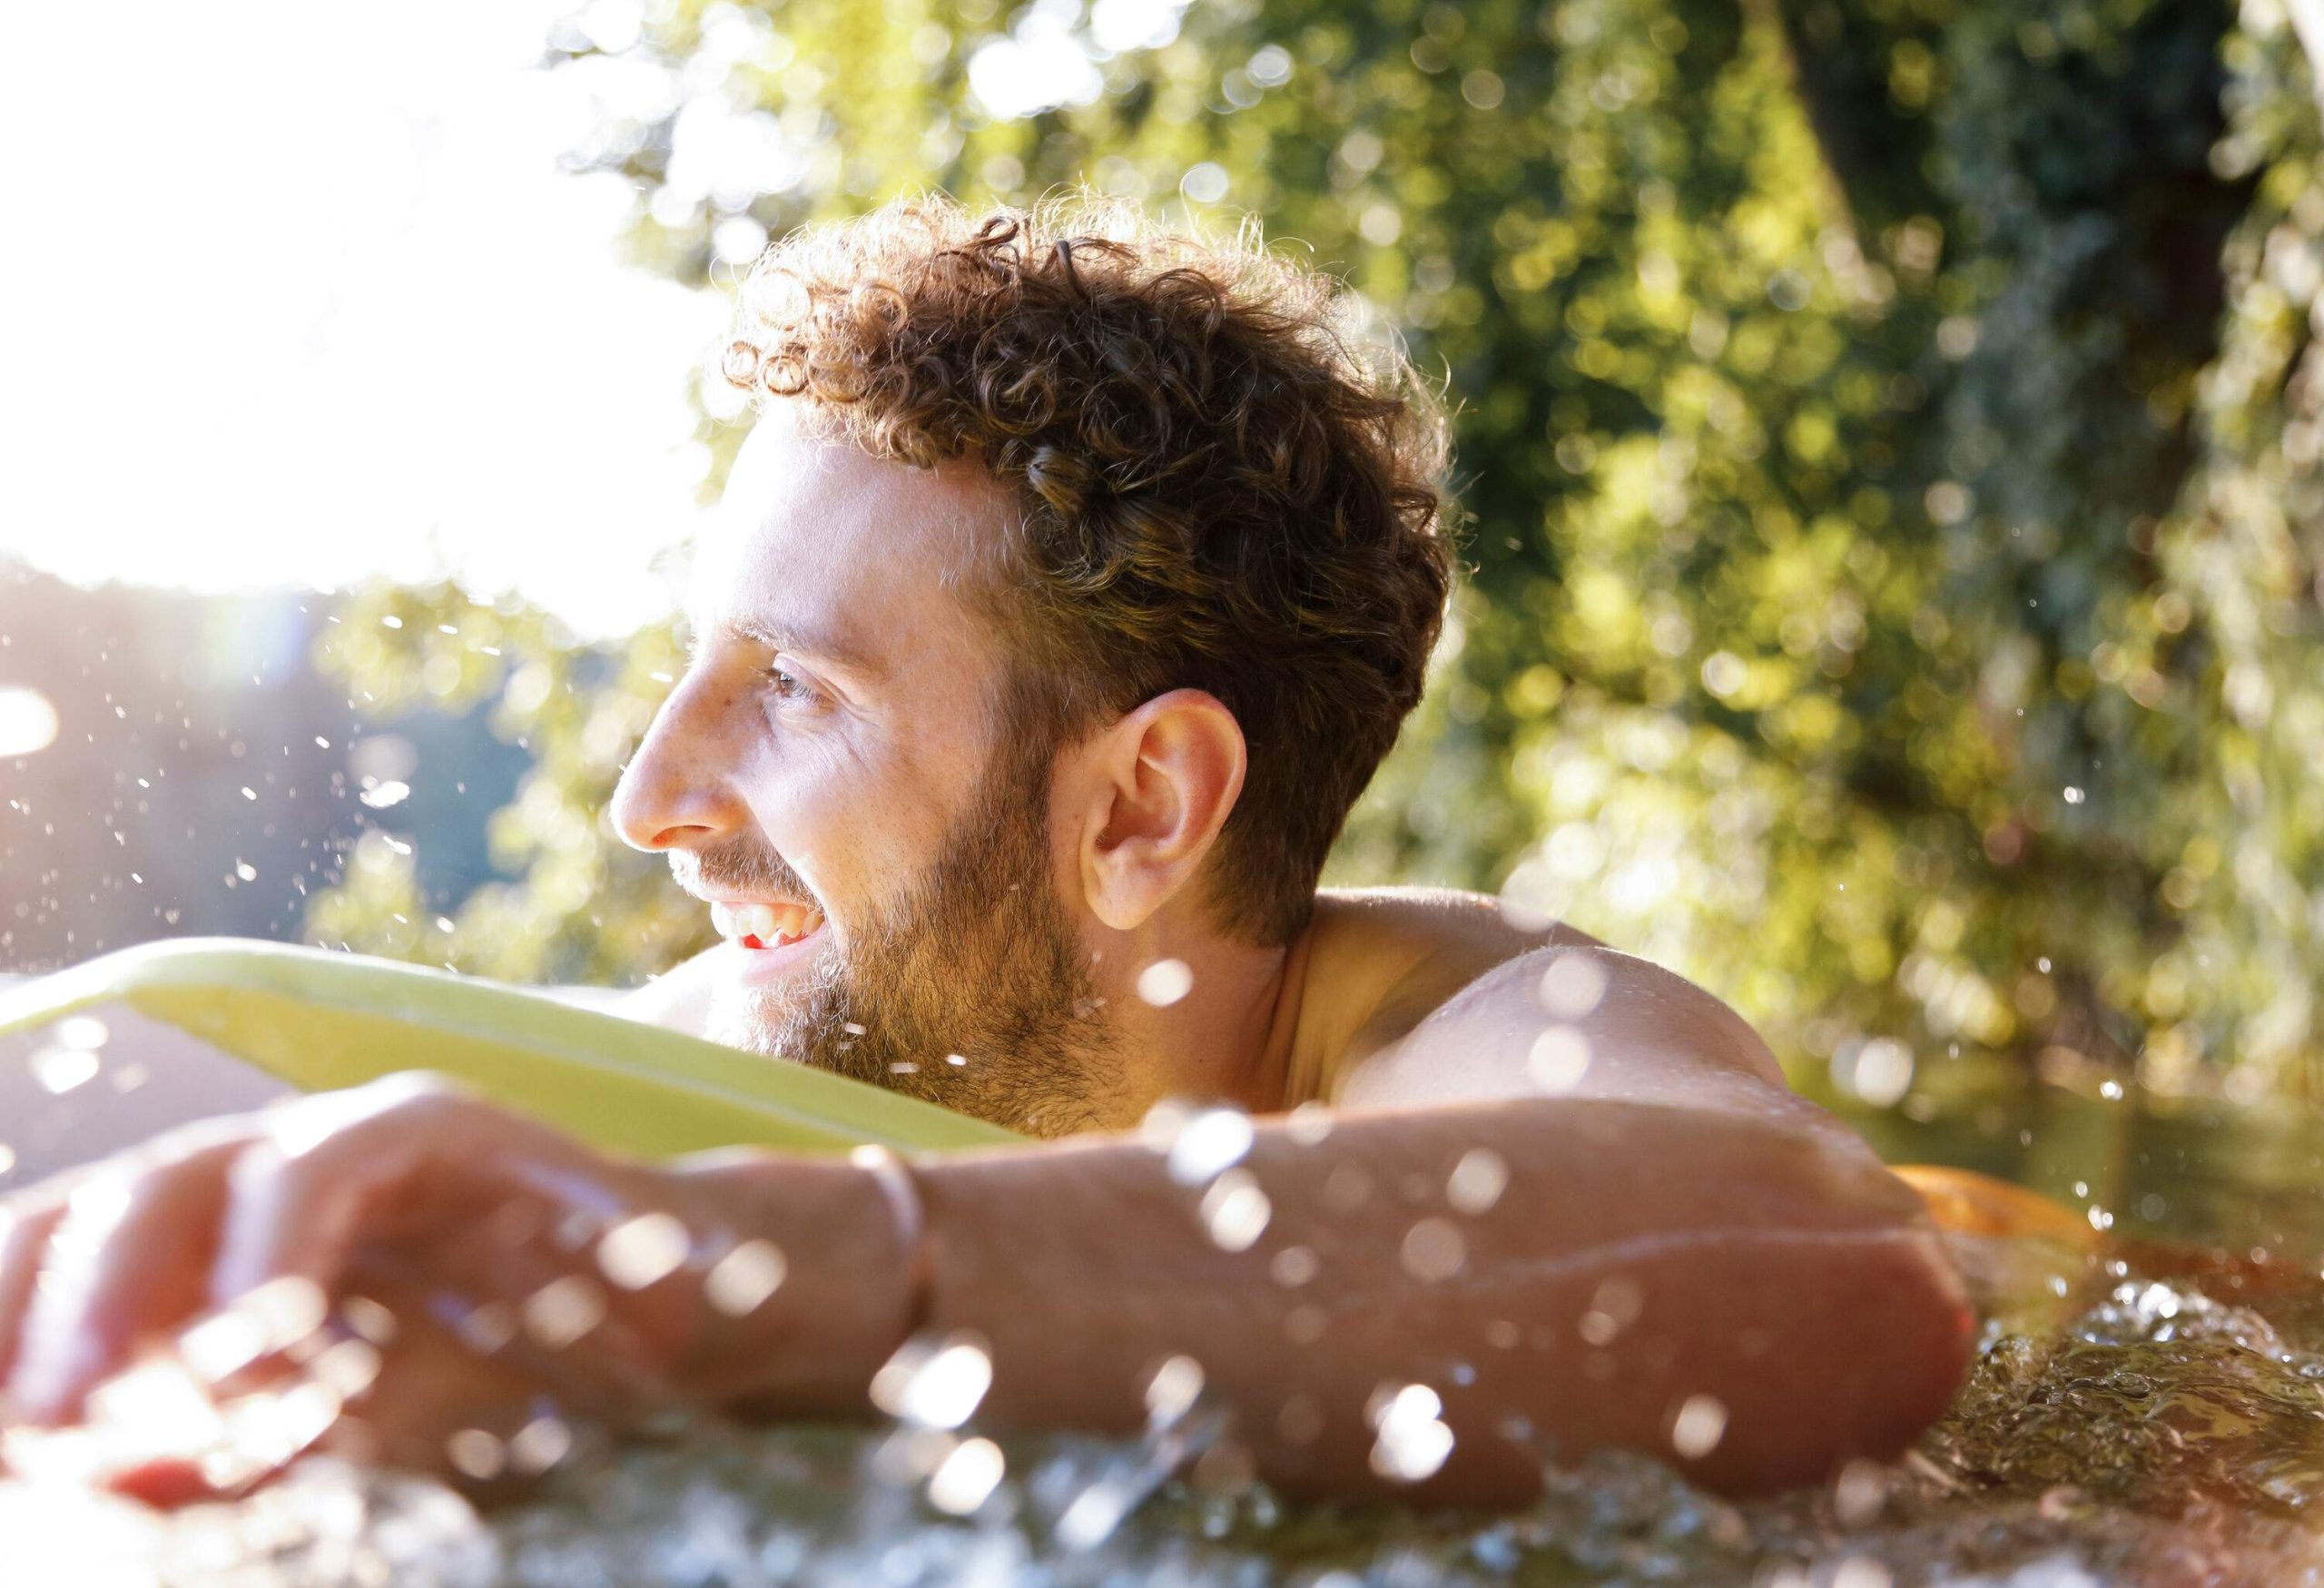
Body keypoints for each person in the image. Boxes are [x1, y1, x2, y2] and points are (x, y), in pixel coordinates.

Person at [0, 195, 1971, 1508]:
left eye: (791, 686)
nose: (646, 796)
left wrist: (719, 1277)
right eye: (692, 665)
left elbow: (1825, 1252)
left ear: (1141, 808)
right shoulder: (713, 1032)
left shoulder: (1458, 1019)